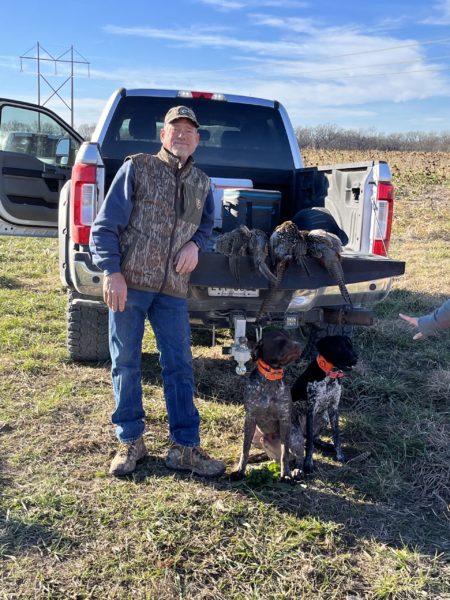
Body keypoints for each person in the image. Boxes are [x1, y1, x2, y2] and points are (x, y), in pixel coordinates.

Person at [90, 105, 226, 478]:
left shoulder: (202, 182)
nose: (181, 135)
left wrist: (196, 245)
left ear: (198, 139)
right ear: (162, 136)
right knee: (126, 363)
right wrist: (111, 273)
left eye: (189, 130)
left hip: (172, 291)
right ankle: (131, 440)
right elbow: (104, 226)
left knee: (180, 366)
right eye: (174, 129)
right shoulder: (138, 168)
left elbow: (207, 227)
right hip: (130, 284)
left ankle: (185, 447)